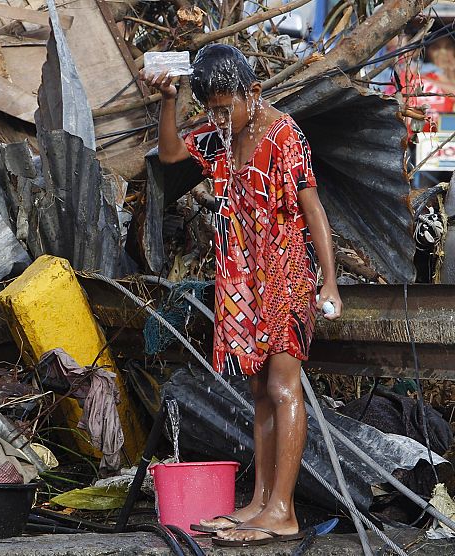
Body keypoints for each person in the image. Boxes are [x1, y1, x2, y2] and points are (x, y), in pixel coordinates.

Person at [141, 44, 342, 547]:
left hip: (287, 273)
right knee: (258, 392)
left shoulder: (284, 134)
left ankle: (283, 509)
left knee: (282, 387)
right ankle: (259, 501)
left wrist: (330, 279)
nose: (217, 116)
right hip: (245, 279)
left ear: (252, 93)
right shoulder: (222, 135)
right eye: (210, 108)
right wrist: (169, 100)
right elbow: (170, 155)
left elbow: (312, 208)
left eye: (224, 106)